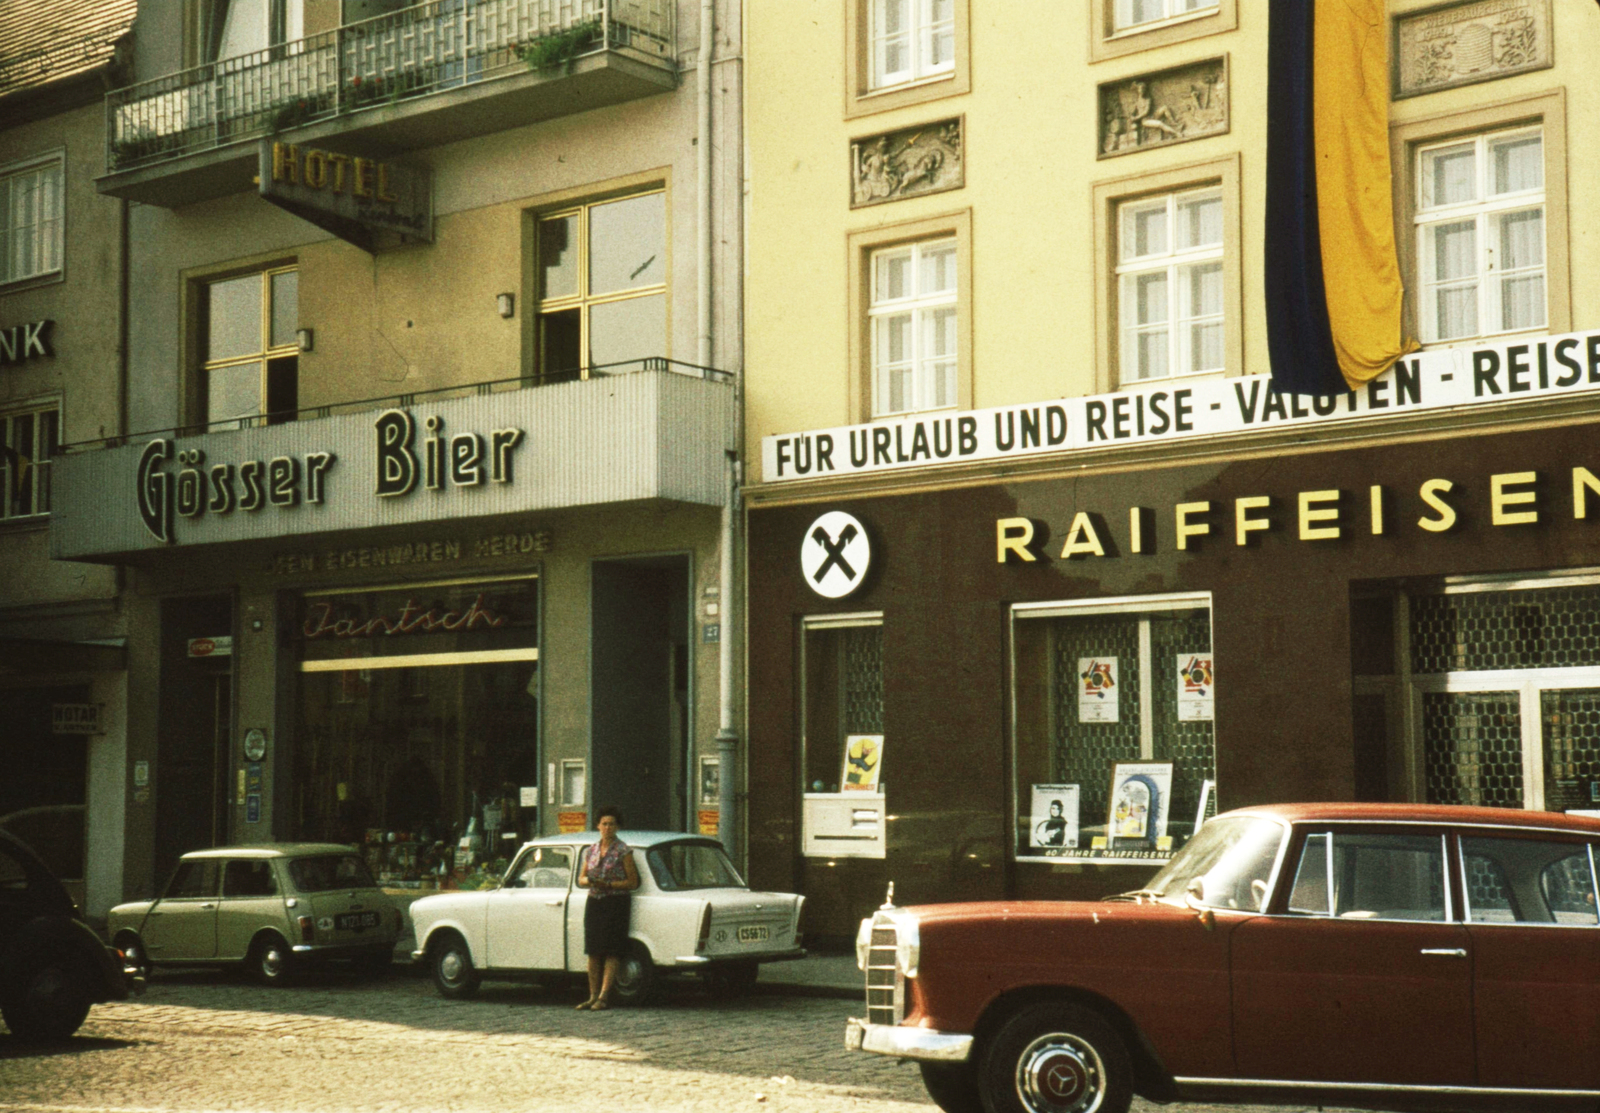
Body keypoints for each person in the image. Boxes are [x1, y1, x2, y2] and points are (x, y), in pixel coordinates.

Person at [575, 804, 639, 1010]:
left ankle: (604, 996)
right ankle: (592, 995)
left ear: (617, 827)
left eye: (612, 824)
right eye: (604, 824)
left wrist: (609, 884)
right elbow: (581, 877)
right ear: (598, 826)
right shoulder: (591, 850)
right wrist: (590, 882)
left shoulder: (623, 850)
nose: (608, 828)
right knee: (593, 950)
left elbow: (632, 881)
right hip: (595, 901)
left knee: (612, 950)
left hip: (616, 902)